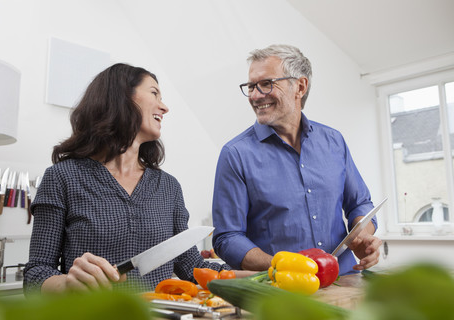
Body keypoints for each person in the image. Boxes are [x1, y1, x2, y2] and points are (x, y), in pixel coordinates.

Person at [24, 63, 233, 295]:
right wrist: (67, 284)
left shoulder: (169, 187)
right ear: (122, 97)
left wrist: (263, 273)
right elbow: (36, 273)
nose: (164, 107)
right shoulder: (62, 177)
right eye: (154, 93)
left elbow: (193, 268)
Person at [212, 44, 382, 276]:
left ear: (300, 86)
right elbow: (227, 238)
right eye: (251, 86)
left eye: (266, 84)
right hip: (281, 293)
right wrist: (283, 267)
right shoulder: (235, 154)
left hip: (345, 280)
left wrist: (363, 234)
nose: (254, 95)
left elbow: (360, 204)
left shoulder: (334, 141)